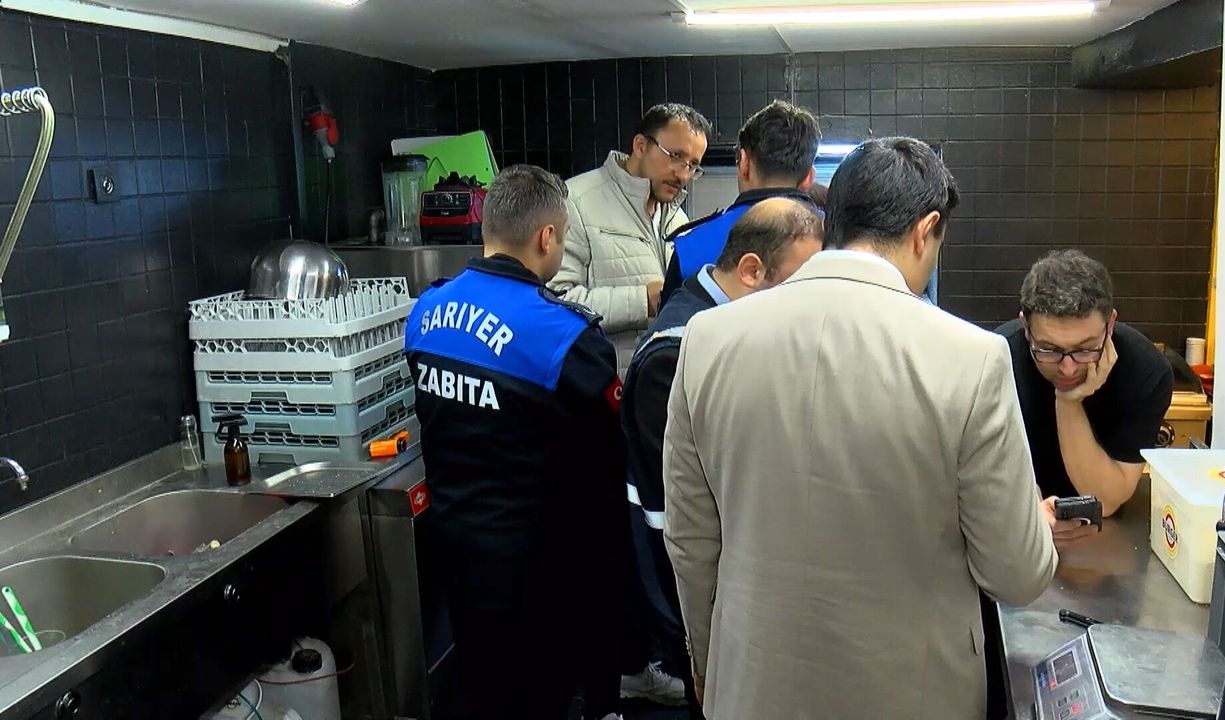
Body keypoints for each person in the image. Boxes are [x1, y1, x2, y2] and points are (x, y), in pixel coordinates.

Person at [663, 137, 1058, 719]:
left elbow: (690, 541)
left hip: (752, 684)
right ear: (925, 230)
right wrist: (1035, 527)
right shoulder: (972, 358)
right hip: (912, 695)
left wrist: (705, 658)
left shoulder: (708, 339)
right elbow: (1016, 574)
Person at [403, 165, 626, 720]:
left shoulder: (425, 312)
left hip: (456, 547)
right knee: (539, 694)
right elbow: (605, 471)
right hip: (538, 571)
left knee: (482, 686)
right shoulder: (565, 337)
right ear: (547, 237)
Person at [620, 198, 823, 712]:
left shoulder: (714, 315)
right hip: (693, 601)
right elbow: (678, 517)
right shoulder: (678, 350)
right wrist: (696, 640)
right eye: (798, 284)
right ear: (751, 270)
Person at [996, 250, 1174, 526]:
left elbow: (1105, 501)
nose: (1068, 368)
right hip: (1014, 523)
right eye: (1048, 349)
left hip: (1107, 532)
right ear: (1026, 328)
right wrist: (1024, 510)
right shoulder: (994, 362)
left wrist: (1068, 401)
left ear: (1110, 325)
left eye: (1085, 349)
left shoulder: (1146, 372)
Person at [551, 103, 711, 376]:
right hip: (601, 386)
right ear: (640, 145)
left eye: (693, 165)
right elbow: (556, 303)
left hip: (661, 385)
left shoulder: (678, 219)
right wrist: (642, 300)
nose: (683, 174)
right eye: (675, 156)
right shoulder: (574, 201)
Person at [658, 100, 820, 307]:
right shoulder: (837, 239)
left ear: (744, 163)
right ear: (809, 177)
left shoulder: (690, 247)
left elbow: (671, 323)